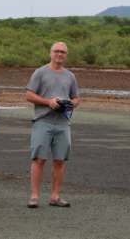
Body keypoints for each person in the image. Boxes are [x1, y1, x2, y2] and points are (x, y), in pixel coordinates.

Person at [25, 42, 81, 208]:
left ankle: (55, 196)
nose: (59, 54)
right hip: (43, 121)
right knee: (38, 159)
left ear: (66, 55)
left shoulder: (70, 76)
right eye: (56, 51)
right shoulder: (40, 72)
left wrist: (70, 103)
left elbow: (77, 98)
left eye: (63, 52)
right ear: (50, 53)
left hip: (63, 123)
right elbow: (28, 95)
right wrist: (48, 102)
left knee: (59, 161)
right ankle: (34, 196)